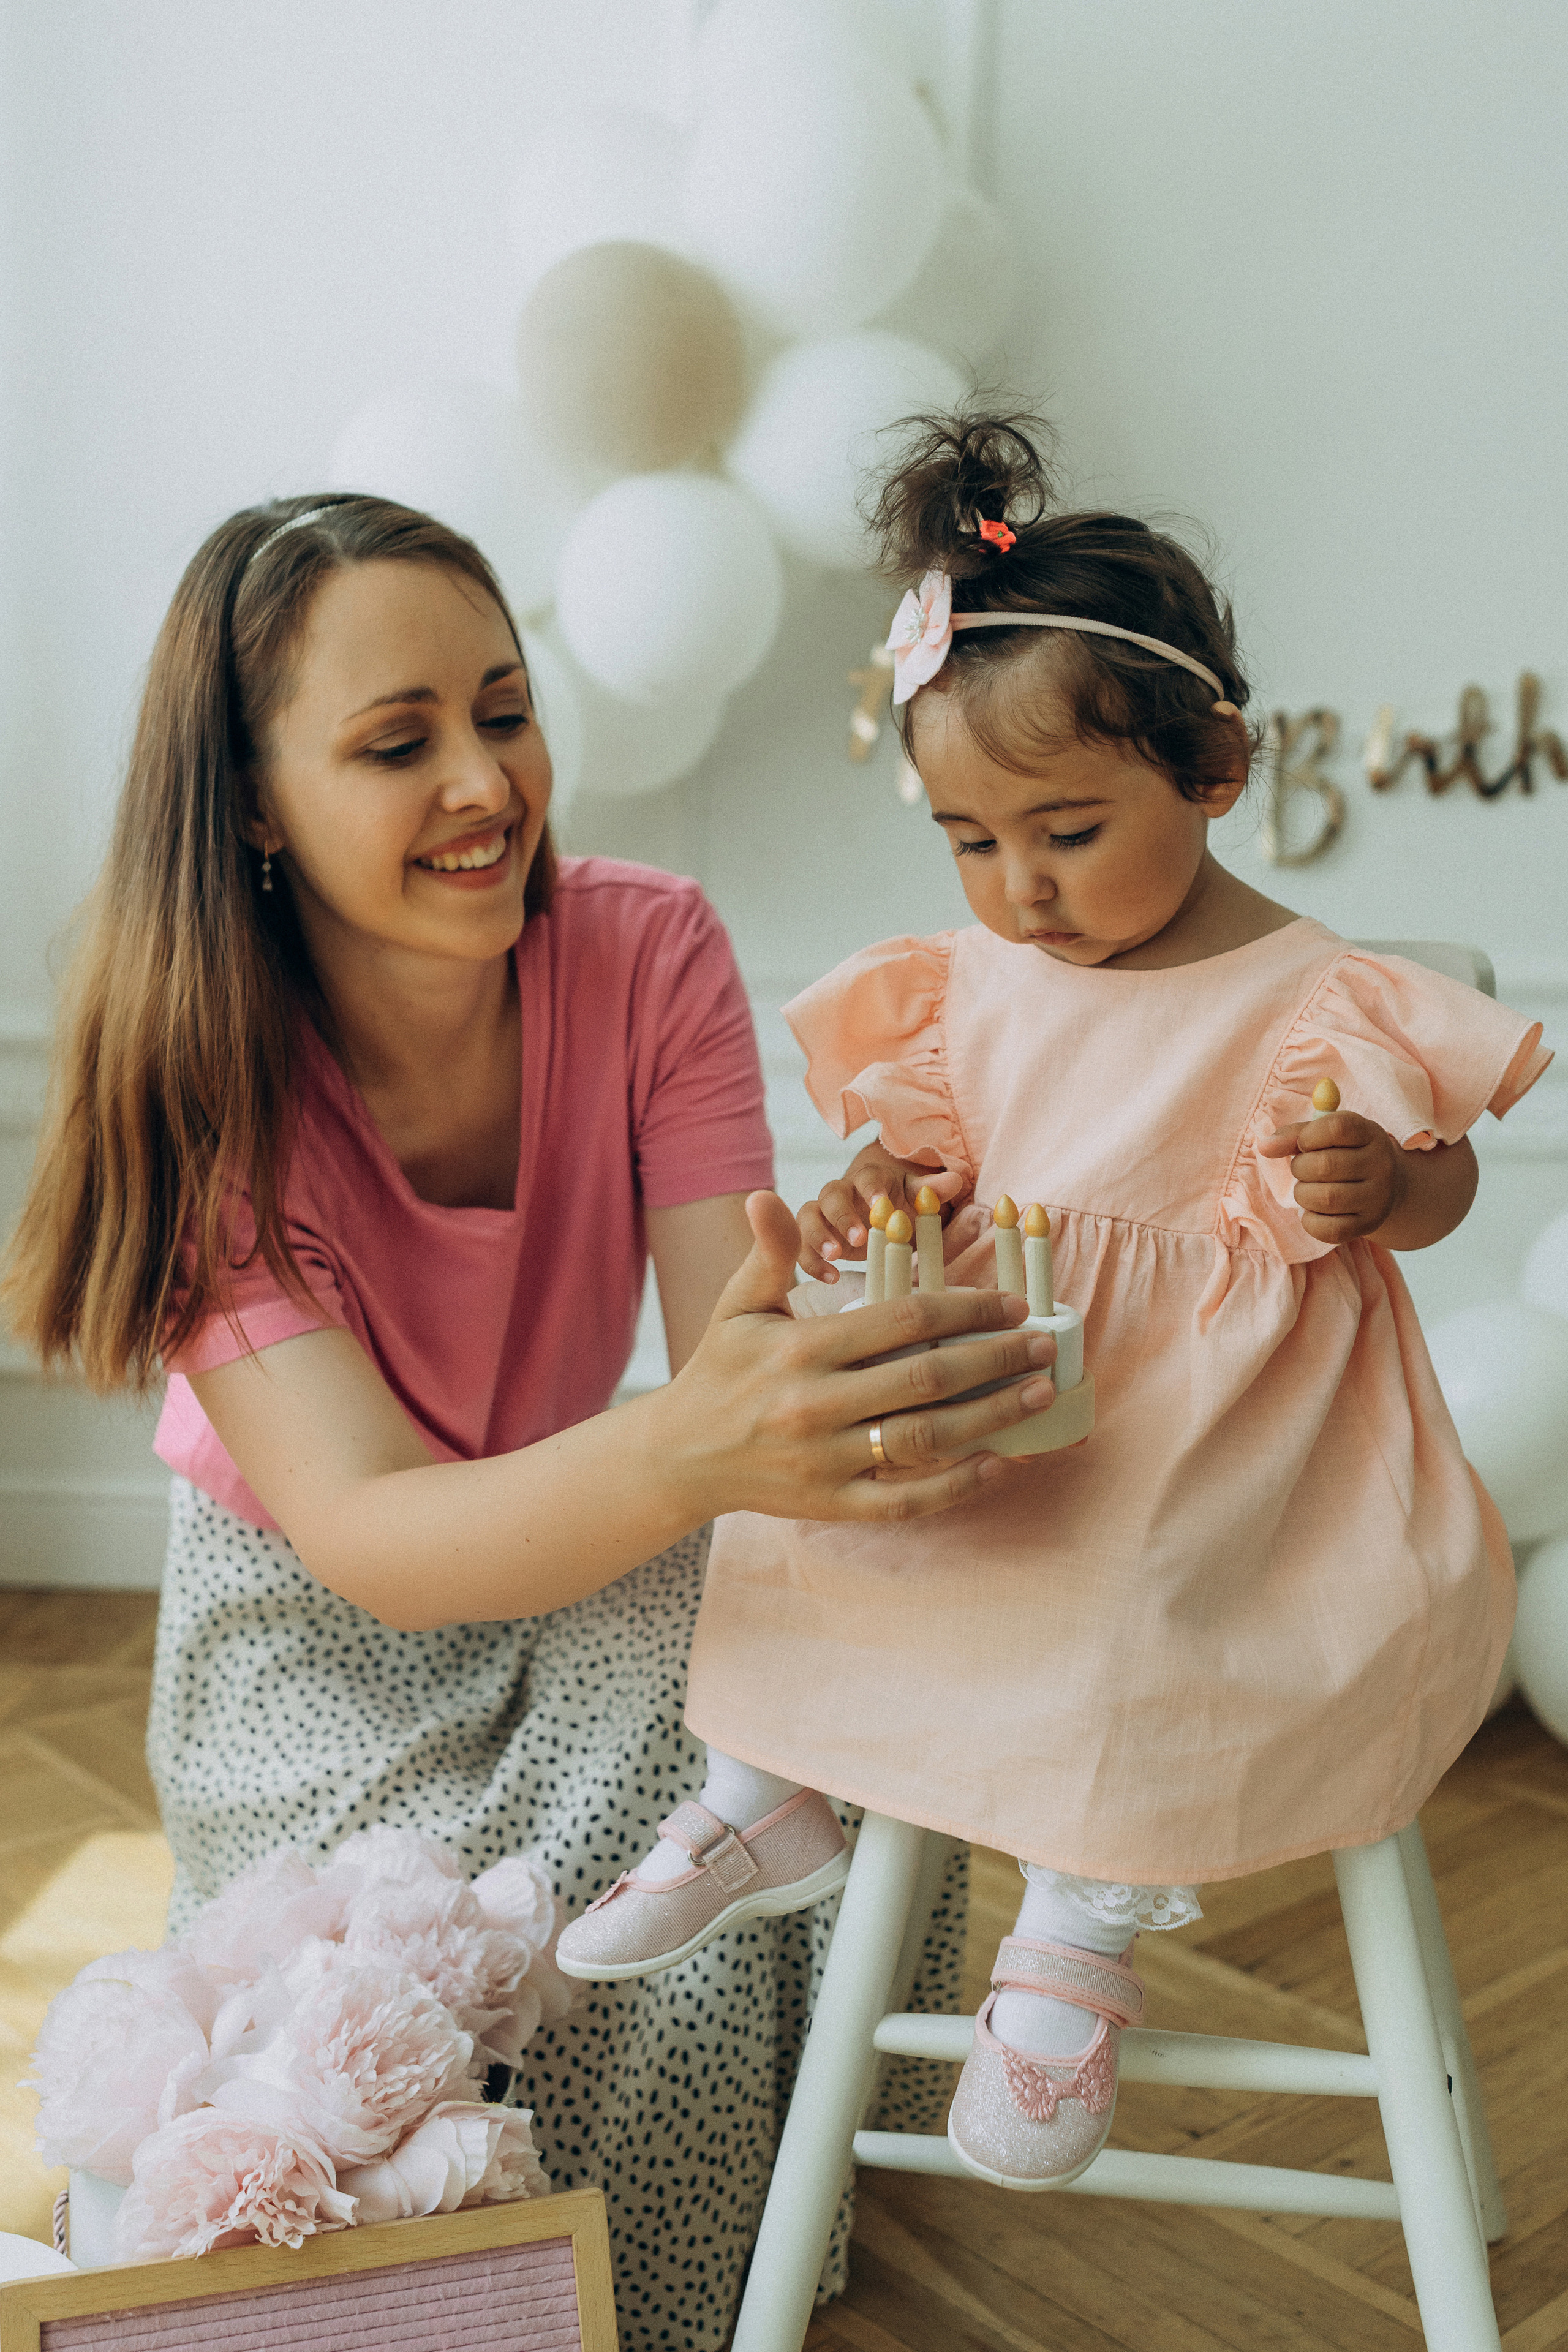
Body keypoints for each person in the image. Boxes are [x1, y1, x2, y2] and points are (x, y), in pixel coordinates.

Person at [2, 492, 1061, 2343]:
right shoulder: (202, 1082)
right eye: (397, 743)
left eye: (504, 710)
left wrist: (843, 1328)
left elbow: (721, 1346)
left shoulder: (649, 953)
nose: (486, 781)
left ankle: (692, 2262)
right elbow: (375, 1536)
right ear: (252, 803)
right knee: (432, 2001)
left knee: (743, 1737)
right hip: (311, 1641)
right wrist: (709, 1440)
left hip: (585, 1540)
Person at [554, 411, 1551, 2193]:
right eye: (968, 841)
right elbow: (925, 1173)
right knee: (806, 1506)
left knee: (1136, 1612)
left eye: (1070, 831)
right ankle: (765, 1794)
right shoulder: (971, 984)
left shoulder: (1320, 999)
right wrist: (878, 1194)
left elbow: (1447, 1182)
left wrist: (1388, 1187)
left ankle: (1075, 1942)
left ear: (1214, 765)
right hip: (1008, 1405)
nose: (1020, 889)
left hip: (1235, 1464)